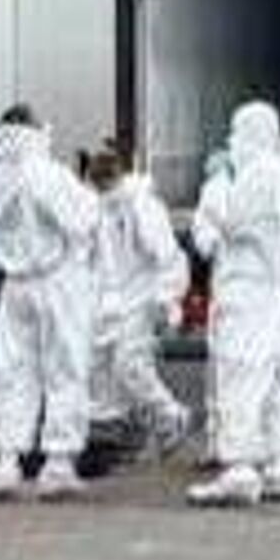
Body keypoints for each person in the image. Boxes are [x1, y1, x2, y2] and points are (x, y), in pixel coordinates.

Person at [188, 101, 280, 508]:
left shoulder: (256, 176)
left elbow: (230, 221)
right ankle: (279, 463)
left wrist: (214, 194)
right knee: (276, 381)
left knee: (240, 376)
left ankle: (239, 467)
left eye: (236, 134)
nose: (232, 142)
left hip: (248, 290)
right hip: (279, 290)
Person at [0, 109, 100, 502]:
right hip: (55, 279)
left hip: (14, 283)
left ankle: (7, 458)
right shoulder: (48, 174)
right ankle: (59, 462)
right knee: (64, 367)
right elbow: (81, 221)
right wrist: (87, 195)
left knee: (15, 371)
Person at [85, 141, 191, 463]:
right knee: (103, 368)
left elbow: (168, 257)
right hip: (113, 302)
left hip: (142, 298)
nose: (100, 191)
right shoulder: (102, 207)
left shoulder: (142, 206)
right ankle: (120, 429)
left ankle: (171, 414)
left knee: (130, 365)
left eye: (102, 185)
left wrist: (166, 300)